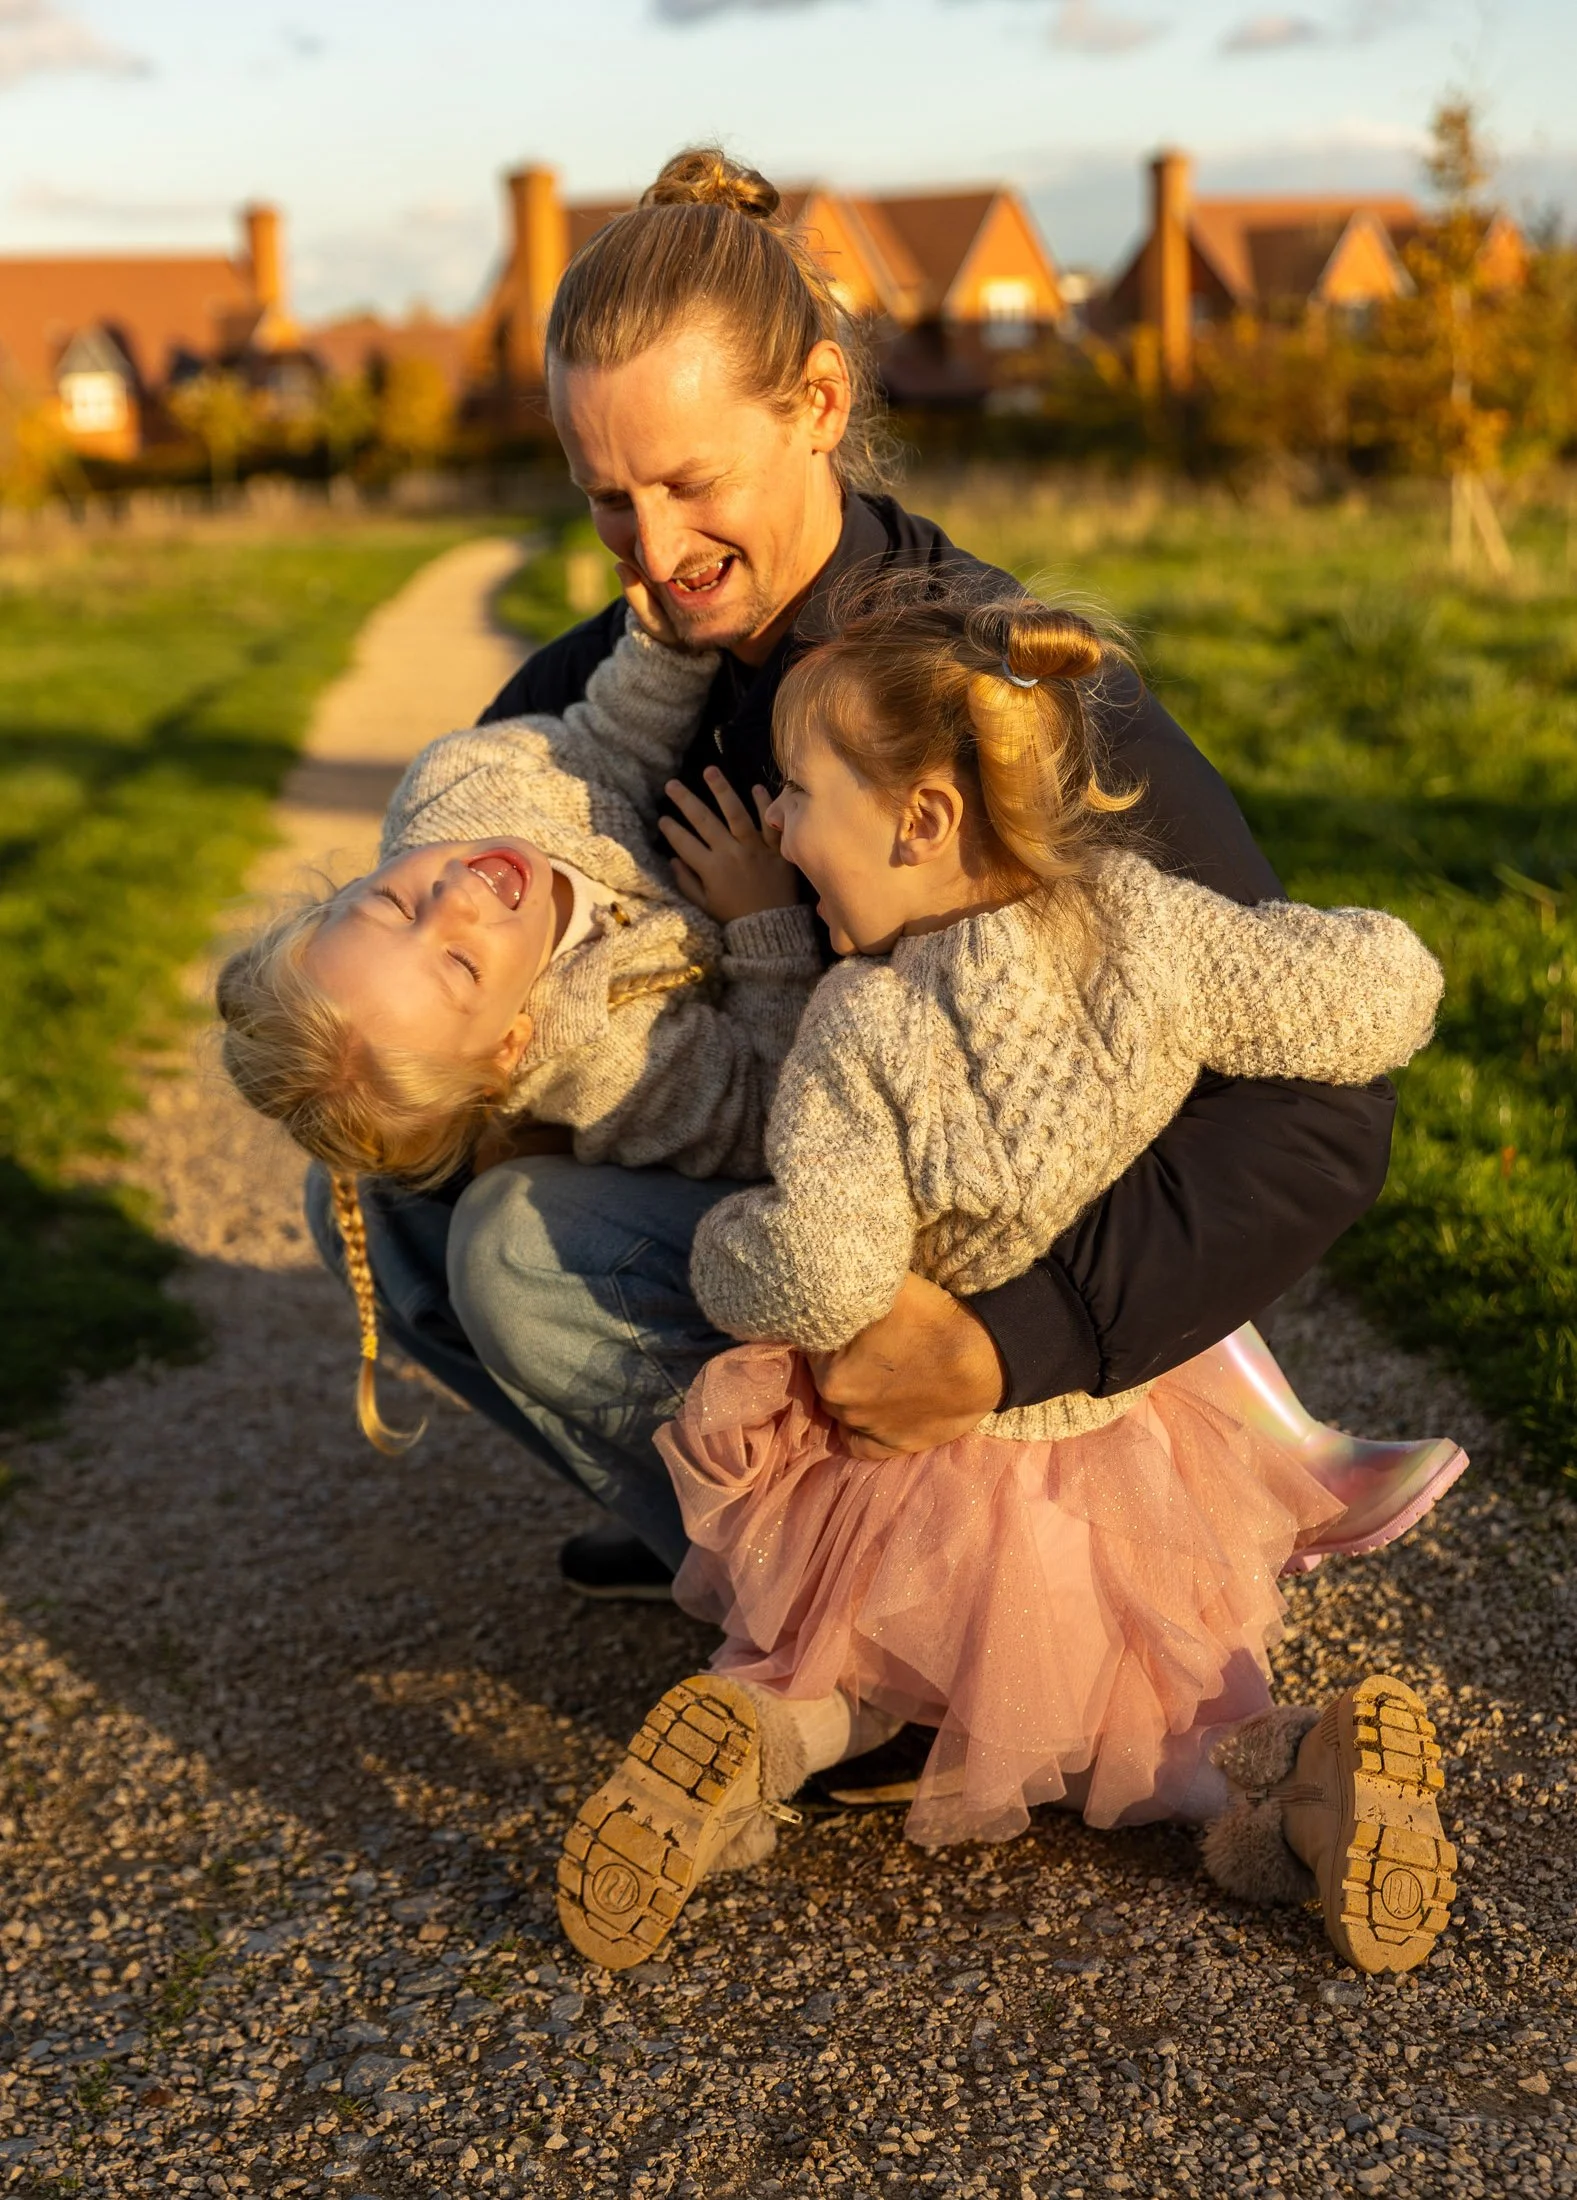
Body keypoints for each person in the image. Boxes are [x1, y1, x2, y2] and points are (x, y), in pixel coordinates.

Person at [303, 145, 1401, 1632]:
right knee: (374, 1191)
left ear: (817, 406)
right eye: (607, 500)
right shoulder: (606, 675)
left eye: (692, 483)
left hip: (954, 1261)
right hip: (789, 1192)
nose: (657, 556)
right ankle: (721, 1519)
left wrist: (1015, 1340)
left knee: (512, 1250)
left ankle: (896, 1638)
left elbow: (1322, 1116)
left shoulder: (982, 693)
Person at [556, 580, 1461, 1979]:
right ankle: (1293, 1775)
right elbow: (1377, 994)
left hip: (921, 1462)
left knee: (834, 1667)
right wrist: (1380, 948)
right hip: (1126, 1439)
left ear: (919, 822)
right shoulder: (1144, 924)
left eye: (798, 795)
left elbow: (822, 1265)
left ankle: (749, 1743)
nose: (783, 827)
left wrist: (724, 1248)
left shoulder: (864, 1025)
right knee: (1170, 1704)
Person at [220, 583, 818, 1500]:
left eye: (390, 901)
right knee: (375, 1214)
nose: (455, 897)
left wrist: (668, 643)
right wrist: (765, 924)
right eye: (460, 966)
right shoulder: (612, 1058)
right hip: (771, 1218)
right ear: (509, 1045)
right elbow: (771, 1113)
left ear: (341, 889)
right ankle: (724, 1516)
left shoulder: (457, 789)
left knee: (388, 1205)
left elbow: (601, 745)